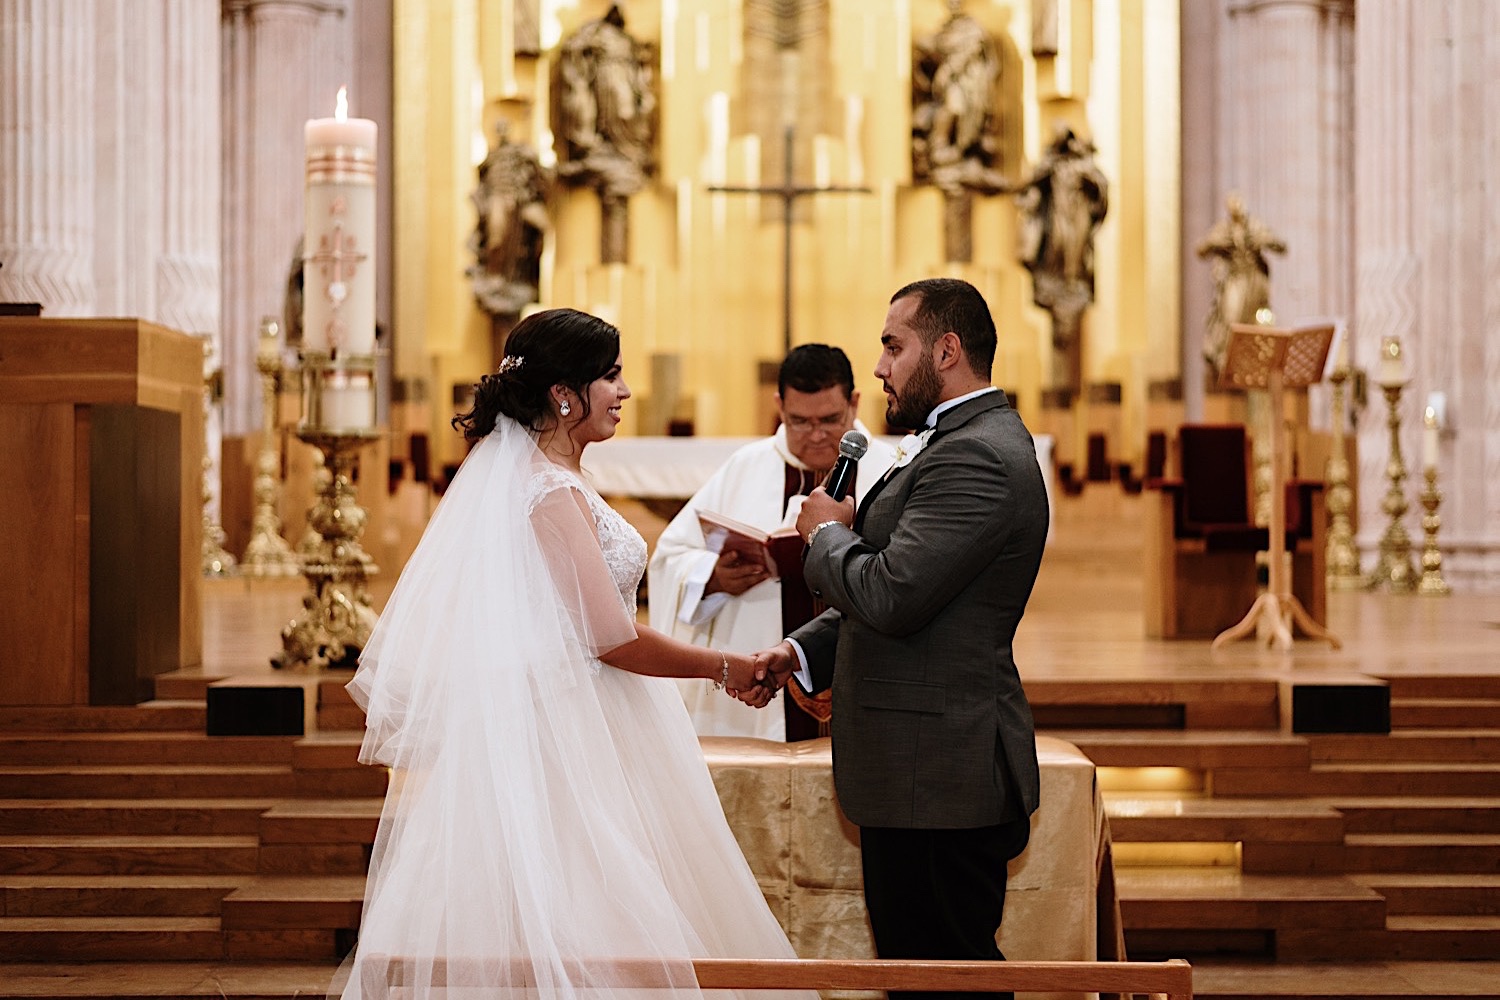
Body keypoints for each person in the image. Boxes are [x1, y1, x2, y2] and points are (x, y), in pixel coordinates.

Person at [333, 307, 811, 1000]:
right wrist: (726, 666)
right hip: (568, 736)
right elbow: (609, 636)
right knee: (596, 913)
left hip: (590, 720)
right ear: (564, 394)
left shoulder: (550, 478)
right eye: (609, 377)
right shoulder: (547, 491)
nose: (623, 391)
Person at [752, 278, 1049, 1000]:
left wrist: (822, 533)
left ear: (947, 351)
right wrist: (800, 651)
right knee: (920, 976)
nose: (880, 366)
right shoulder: (951, 442)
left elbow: (891, 593)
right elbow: (908, 588)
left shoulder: (974, 455)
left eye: (894, 346)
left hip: (941, 775)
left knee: (945, 980)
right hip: (922, 772)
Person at [648, 345, 896, 741]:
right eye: (799, 421)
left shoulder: (891, 467)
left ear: (854, 402)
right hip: (758, 687)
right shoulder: (746, 466)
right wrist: (712, 578)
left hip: (865, 668)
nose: (816, 435)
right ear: (779, 406)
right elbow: (669, 557)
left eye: (830, 420)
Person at [1197, 191, 1286, 375]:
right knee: (1230, 318)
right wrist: (1215, 243)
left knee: (1258, 324)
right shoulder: (1224, 229)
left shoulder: (1254, 226)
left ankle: (1256, 363)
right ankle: (1227, 361)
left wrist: (1265, 240)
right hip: (1235, 280)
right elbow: (1201, 249)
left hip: (1254, 281)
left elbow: (1282, 246)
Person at [467, 122, 549, 317]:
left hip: (522, 202)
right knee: (496, 235)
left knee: (543, 227)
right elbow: (483, 182)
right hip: (499, 199)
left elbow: (541, 179)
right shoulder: (492, 158)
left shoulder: (524, 153)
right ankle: (495, 274)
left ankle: (533, 273)